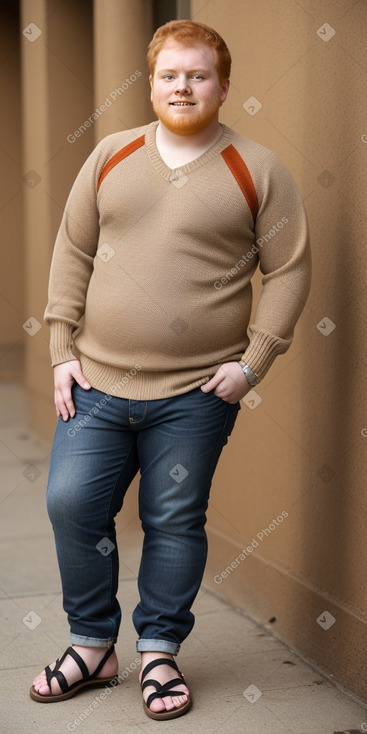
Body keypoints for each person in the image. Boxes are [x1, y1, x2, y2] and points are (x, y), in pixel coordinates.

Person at [30, 19, 311, 720]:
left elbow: (289, 270)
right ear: (150, 82)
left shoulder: (257, 168)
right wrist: (62, 350)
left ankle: (158, 651)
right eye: (168, 74)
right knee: (71, 504)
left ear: (222, 84)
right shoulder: (110, 154)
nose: (181, 86)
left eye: (196, 75)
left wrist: (252, 364)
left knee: (173, 519)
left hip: (195, 392)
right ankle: (94, 646)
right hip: (96, 381)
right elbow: (72, 252)